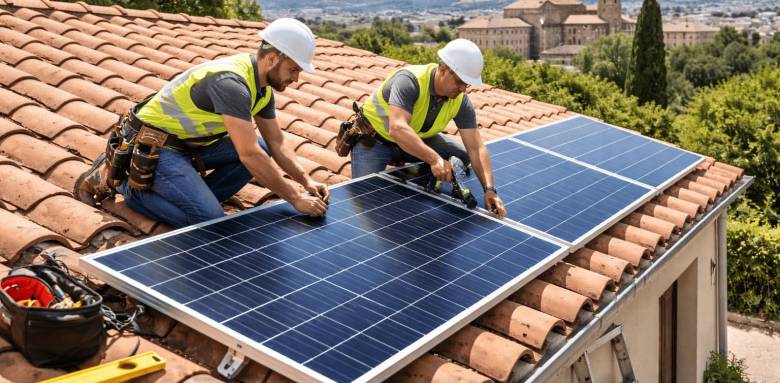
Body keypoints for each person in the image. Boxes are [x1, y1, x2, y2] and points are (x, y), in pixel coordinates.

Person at [74, 18, 329, 227]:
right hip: (156, 145)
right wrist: (295, 198)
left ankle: (191, 196)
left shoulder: (262, 90)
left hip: (189, 146)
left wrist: (306, 181)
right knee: (209, 219)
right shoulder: (232, 83)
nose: (295, 79)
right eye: (293, 70)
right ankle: (128, 187)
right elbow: (248, 155)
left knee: (263, 147)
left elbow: (277, 143)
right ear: (273, 58)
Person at [352, 39, 506, 217]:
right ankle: (425, 168)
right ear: (442, 68)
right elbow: (397, 128)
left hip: (414, 140)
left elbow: (476, 147)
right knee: (365, 197)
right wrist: (434, 159)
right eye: (459, 81)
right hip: (374, 141)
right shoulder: (410, 80)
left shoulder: (460, 100)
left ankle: (422, 176)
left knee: (463, 154)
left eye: (467, 84)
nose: (463, 89)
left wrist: (489, 189)